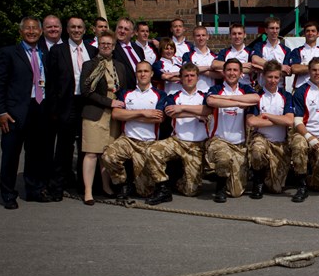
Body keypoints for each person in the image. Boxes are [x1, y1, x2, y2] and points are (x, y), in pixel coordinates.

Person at [0, 17, 54, 209]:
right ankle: (7, 194)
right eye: (27, 29)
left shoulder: (45, 54)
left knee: (36, 154)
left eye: (35, 29)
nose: (31, 32)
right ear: (21, 31)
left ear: (40, 32)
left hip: (40, 108)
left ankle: (34, 190)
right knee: (11, 156)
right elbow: (0, 84)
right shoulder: (9, 53)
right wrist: (1, 111)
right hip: (15, 112)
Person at [144, 63, 212, 205]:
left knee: (191, 191)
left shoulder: (205, 96)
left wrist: (182, 108)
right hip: (177, 141)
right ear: (180, 78)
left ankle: (177, 182)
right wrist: (197, 114)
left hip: (197, 146)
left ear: (197, 78)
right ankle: (163, 187)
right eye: (186, 76)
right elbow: (170, 112)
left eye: (192, 75)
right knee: (152, 150)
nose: (189, 78)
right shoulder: (173, 96)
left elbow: (207, 110)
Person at [46, 16, 97, 200]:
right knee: (63, 148)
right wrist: (53, 109)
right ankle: (57, 187)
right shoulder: (57, 51)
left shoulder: (92, 50)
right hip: (66, 104)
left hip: (87, 103)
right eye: (73, 27)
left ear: (84, 30)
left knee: (86, 145)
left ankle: (85, 187)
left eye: (79, 27)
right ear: (67, 29)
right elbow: (50, 84)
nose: (76, 30)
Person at [101, 61, 166, 200]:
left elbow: (158, 118)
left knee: (145, 192)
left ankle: (141, 185)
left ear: (151, 74)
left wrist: (129, 115)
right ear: (136, 74)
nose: (143, 74)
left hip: (148, 143)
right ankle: (123, 184)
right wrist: (143, 113)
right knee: (108, 156)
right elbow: (116, 115)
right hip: (128, 139)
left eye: (146, 71)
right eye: (139, 71)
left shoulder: (159, 94)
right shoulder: (126, 93)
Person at [79, 29, 127, 205]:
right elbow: (86, 92)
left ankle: (106, 187)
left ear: (114, 47)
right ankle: (88, 191)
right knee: (92, 153)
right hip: (95, 113)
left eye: (109, 44)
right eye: (103, 43)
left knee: (107, 153)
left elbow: (123, 90)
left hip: (113, 116)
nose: (106, 46)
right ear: (98, 46)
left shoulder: (119, 66)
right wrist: (109, 102)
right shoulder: (89, 65)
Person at [205, 58, 260, 202]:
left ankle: (229, 177)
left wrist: (227, 99)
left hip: (239, 144)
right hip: (219, 140)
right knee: (223, 159)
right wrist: (238, 102)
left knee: (236, 192)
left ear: (241, 73)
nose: (231, 73)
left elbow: (255, 98)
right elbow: (211, 100)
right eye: (228, 70)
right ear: (223, 72)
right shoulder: (216, 89)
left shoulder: (246, 89)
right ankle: (220, 187)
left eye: (235, 70)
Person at [289, 57, 319, 202]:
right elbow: (297, 120)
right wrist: (309, 137)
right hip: (304, 134)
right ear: (309, 71)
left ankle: (301, 175)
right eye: (314, 70)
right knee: (299, 145)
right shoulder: (301, 91)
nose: (317, 73)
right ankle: (301, 184)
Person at [246, 60, 294, 199]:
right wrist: (279, 120)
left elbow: (289, 121)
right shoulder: (257, 97)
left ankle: (269, 172)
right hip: (262, 139)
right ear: (263, 77)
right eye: (269, 77)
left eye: (276, 77)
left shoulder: (286, 96)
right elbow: (251, 121)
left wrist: (266, 116)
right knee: (257, 149)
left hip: (279, 144)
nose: (273, 81)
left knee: (276, 188)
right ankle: (257, 180)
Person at [284, 21, 319, 90]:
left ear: (318, 34)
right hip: (299, 89)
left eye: (313, 31)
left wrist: (303, 67)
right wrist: (317, 68)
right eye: (308, 31)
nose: (310, 33)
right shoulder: (297, 51)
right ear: (304, 33)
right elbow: (295, 69)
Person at [250, 17, 291, 88]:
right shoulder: (259, 46)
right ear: (266, 30)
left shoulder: (286, 49)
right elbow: (255, 59)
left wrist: (262, 67)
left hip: (279, 88)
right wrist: (279, 67)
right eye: (272, 28)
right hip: (262, 88)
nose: (275, 31)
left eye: (277, 28)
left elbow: (286, 71)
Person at [182, 26, 222, 92]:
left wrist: (197, 69)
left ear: (207, 37)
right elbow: (189, 71)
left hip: (212, 93)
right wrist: (210, 68)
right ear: (194, 38)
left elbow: (221, 75)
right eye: (198, 36)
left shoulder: (215, 56)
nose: (201, 38)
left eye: (203, 35)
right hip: (193, 93)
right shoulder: (187, 55)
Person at [112, 17, 145, 91]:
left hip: (142, 90)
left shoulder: (138, 49)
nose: (122, 31)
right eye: (120, 28)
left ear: (132, 34)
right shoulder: (112, 48)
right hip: (125, 92)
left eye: (126, 29)